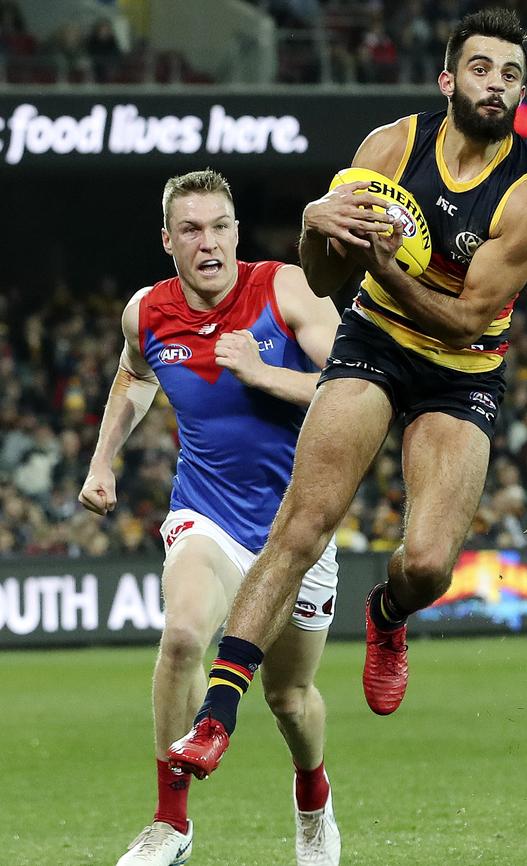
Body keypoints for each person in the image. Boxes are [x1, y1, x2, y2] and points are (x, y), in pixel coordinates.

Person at [168, 7, 527, 777]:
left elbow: (465, 321)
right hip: (375, 343)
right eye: (482, 69)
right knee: (302, 523)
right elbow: (321, 279)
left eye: (511, 76)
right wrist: (316, 225)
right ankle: (218, 713)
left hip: (463, 368)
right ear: (449, 78)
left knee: (427, 567)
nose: (497, 86)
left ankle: (387, 616)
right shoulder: (390, 146)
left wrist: (384, 266)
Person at [78, 168, 342, 866]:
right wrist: (102, 461)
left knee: (289, 699)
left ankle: (313, 796)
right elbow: (135, 374)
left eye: (220, 226)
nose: (209, 242)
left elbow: (355, 389)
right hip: (208, 515)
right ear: (168, 240)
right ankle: (171, 822)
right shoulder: (147, 311)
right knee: (183, 637)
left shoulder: (285, 288)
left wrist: (263, 374)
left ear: (236, 232)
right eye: (191, 229)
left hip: (298, 528)